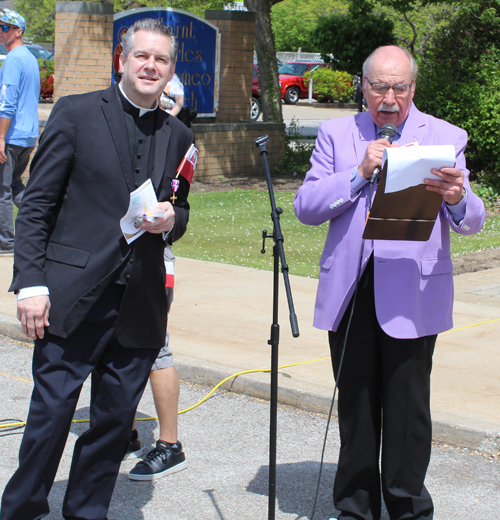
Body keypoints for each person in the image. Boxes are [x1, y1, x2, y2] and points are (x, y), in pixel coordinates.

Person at [0, 18, 193, 520]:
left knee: (112, 425)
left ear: (171, 70)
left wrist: (172, 219)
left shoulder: (179, 135)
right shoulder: (77, 112)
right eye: (141, 56)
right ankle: (22, 508)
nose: (151, 66)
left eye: (162, 60)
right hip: (70, 294)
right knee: (50, 417)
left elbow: (182, 209)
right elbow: (37, 205)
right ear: (121, 60)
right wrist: (30, 285)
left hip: (140, 302)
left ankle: (86, 512)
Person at [294, 45, 486, 520]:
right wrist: (358, 173)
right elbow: (307, 207)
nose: (389, 97)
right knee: (357, 408)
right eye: (379, 86)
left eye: (399, 87)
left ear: (413, 88)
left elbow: (472, 221)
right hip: (352, 292)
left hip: (413, 293)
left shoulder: (444, 136)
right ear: (364, 87)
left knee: (407, 413)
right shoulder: (337, 134)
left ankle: (407, 507)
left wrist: (458, 197)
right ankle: (355, 508)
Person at [126, 244, 187, 481]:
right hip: (111, 253)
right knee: (116, 348)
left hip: (152, 256)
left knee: (156, 348)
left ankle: (170, 446)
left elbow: (179, 216)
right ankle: (126, 437)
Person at [0, 9, 39, 255]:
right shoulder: (30, 58)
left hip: (12, 136)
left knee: (2, 190)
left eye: (5, 27)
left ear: (18, 31)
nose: (1, 31)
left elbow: (8, 102)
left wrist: (0, 137)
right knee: (15, 186)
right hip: (28, 135)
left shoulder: (14, 59)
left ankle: (6, 242)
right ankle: (42, 225)